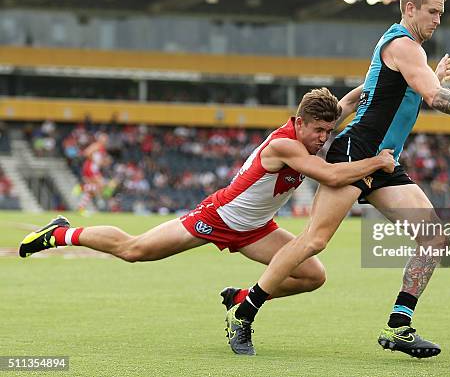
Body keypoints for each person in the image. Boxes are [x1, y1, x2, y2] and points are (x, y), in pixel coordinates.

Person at [226, 0, 450, 358]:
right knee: (314, 240)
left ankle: (398, 326)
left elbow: (407, 90)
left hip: (385, 162)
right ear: (410, 8)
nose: (437, 20)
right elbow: (432, 96)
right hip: (356, 150)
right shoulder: (402, 43)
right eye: (432, 11)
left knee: (433, 238)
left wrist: (432, 77)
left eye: (441, 14)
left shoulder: (409, 51)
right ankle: (244, 313)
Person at [18, 88, 396, 354]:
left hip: (256, 229)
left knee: (313, 276)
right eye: (319, 131)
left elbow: (348, 102)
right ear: (299, 122)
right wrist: (379, 162)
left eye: (330, 132)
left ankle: (243, 300)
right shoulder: (286, 145)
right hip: (218, 217)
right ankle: (62, 234)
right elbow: (330, 177)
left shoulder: (313, 130)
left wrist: (392, 70)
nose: (324, 138)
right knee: (135, 250)